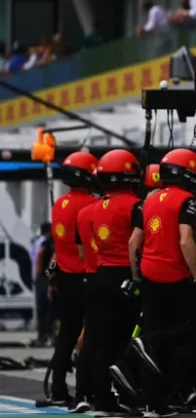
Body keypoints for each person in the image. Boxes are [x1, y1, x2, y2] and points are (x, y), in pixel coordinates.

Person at [129, 148, 196, 418]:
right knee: (185, 334)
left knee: (151, 342)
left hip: (149, 276)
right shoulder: (187, 200)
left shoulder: (148, 200)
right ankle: (173, 393)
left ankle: (152, 404)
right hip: (175, 278)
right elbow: (186, 240)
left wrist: (137, 276)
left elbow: (133, 243)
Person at [76, 149, 143, 415]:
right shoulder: (136, 205)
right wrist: (137, 277)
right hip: (126, 276)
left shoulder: (89, 210)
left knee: (99, 342)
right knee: (125, 340)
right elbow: (136, 245)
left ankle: (100, 398)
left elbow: (84, 253)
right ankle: (128, 396)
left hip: (98, 277)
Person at [48, 151, 100, 406]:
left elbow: (57, 249)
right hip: (85, 277)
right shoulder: (91, 205)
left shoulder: (59, 203)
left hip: (64, 278)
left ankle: (58, 388)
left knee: (66, 336)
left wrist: (52, 278)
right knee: (90, 335)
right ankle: (85, 390)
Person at [33, 222, 55, 347]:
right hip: (45, 278)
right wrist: (46, 273)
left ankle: (43, 335)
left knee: (43, 308)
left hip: (42, 277)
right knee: (48, 308)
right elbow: (42, 258)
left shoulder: (41, 242)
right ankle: (47, 334)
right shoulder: (48, 243)